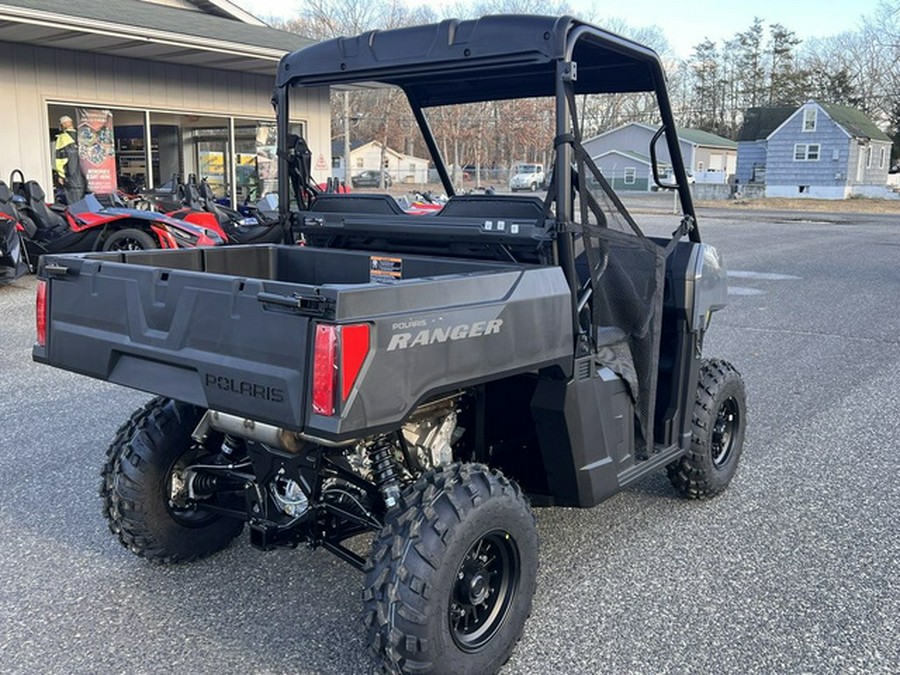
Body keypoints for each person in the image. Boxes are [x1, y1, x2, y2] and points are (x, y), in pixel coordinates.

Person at [54, 115, 87, 204]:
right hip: (86, 179)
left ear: (63, 124)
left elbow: (60, 159)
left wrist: (61, 175)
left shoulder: (63, 138)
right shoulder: (82, 136)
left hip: (72, 179)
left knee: (75, 207)